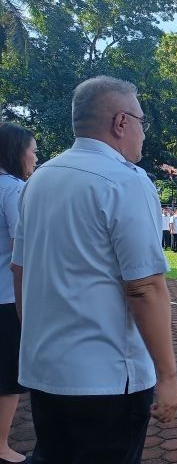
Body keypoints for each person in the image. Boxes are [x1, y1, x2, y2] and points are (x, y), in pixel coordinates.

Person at [10, 76, 177, 463]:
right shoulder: (125, 181)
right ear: (121, 123)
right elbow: (145, 287)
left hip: (46, 367)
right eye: (141, 122)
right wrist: (167, 378)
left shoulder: (40, 180)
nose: (142, 134)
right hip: (104, 376)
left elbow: (20, 271)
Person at [0, 122, 37, 464]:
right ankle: (1, 445)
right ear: (16, 152)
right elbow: (20, 252)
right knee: (9, 377)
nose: (36, 157)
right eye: (32, 150)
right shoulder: (13, 190)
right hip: (6, 297)